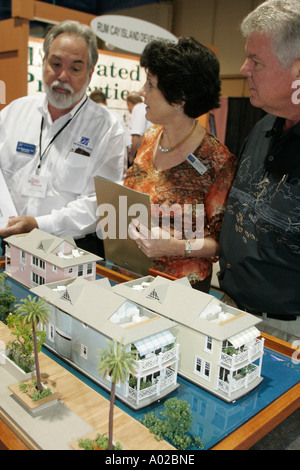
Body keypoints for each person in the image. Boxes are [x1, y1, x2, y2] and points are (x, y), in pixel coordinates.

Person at [0, 20, 127, 257]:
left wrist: (40, 224)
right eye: (55, 64)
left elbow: (99, 203)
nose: (62, 76)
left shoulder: (108, 129)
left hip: (68, 250)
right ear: (43, 62)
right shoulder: (15, 112)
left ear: (90, 72)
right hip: (5, 243)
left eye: (75, 69)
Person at [124, 37, 237, 293]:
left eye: (151, 85)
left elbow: (221, 243)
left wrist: (175, 246)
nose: (142, 91)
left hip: (182, 289)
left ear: (179, 98)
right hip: (134, 276)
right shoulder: (151, 137)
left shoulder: (216, 160)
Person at [218, 0, 300, 341]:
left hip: (285, 330)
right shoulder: (263, 127)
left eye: (256, 61)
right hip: (231, 310)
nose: (243, 68)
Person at [89, 89, 131, 168]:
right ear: (106, 101)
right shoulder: (118, 117)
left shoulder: (87, 118)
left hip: (92, 166)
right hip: (113, 166)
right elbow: (126, 144)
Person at [126, 92, 152, 165]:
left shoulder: (138, 108)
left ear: (129, 103)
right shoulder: (147, 108)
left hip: (140, 153)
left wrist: (131, 156)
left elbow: (136, 135)